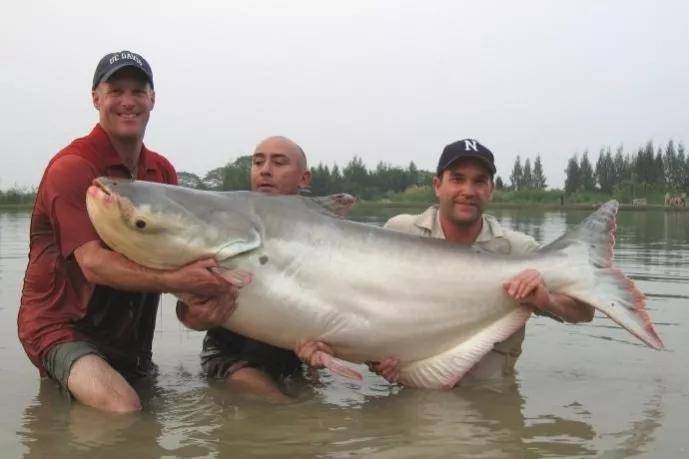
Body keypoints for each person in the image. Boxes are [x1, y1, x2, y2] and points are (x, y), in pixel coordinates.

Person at [18, 50, 236, 413]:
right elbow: (93, 264)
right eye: (116, 90)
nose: (128, 101)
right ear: (96, 98)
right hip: (61, 327)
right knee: (122, 409)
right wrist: (178, 279)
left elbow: (179, 262)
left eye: (138, 91)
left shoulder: (162, 173)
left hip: (128, 341)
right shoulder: (71, 168)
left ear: (152, 99)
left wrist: (197, 309)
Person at [177, 135, 315, 403]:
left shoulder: (322, 237)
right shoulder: (223, 227)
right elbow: (187, 306)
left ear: (304, 178)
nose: (265, 170)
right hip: (231, 357)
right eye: (257, 161)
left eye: (279, 162)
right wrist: (194, 316)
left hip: (295, 358)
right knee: (285, 410)